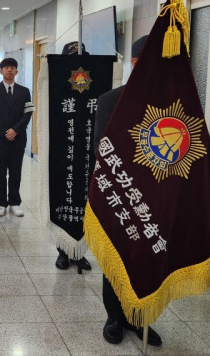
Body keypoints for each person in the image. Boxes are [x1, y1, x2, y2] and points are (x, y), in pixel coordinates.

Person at [94, 36, 162, 347]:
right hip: (120, 193)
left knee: (148, 258)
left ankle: (140, 317)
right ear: (135, 63)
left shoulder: (168, 104)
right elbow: (102, 148)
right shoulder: (111, 100)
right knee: (117, 256)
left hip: (156, 197)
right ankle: (115, 316)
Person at [54, 41, 92, 273]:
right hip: (62, 149)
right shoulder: (58, 80)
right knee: (63, 198)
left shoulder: (93, 80)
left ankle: (80, 252)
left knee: (83, 201)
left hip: (85, 149)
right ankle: (63, 251)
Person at [0, 57, 33, 218]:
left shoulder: (24, 91)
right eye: (6, 67)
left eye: (12, 67)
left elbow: (28, 113)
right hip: (0, 139)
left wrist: (15, 130)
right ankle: (1, 203)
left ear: (16, 71)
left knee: (15, 172)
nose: (9, 70)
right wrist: (5, 132)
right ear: (1, 71)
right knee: (0, 172)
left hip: (18, 139)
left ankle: (14, 202)